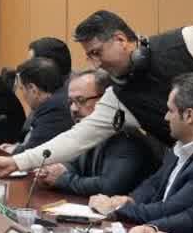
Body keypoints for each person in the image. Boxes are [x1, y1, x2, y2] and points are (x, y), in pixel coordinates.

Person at [0, 10, 193, 177]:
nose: (94, 64)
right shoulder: (120, 97)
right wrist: (19, 162)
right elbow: (76, 139)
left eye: (97, 53)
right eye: (89, 56)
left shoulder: (186, 40)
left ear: (121, 40)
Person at [89, 74, 193, 223]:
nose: (166, 117)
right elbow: (154, 184)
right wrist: (130, 200)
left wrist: (116, 210)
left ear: (189, 115)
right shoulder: (179, 147)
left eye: (170, 110)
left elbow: (169, 209)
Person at [31, 70, 158, 198]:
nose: (73, 109)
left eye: (81, 100)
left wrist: (62, 180)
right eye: (70, 102)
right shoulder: (87, 132)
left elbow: (109, 187)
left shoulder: (125, 137)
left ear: (106, 100)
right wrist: (58, 170)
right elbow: (78, 165)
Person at [3, 57, 72, 154]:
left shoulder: (53, 109)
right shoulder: (58, 99)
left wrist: (14, 150)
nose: (22, 95)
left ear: (33, 89)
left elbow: (33, 151)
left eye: (22, 88)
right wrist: (18, 147)